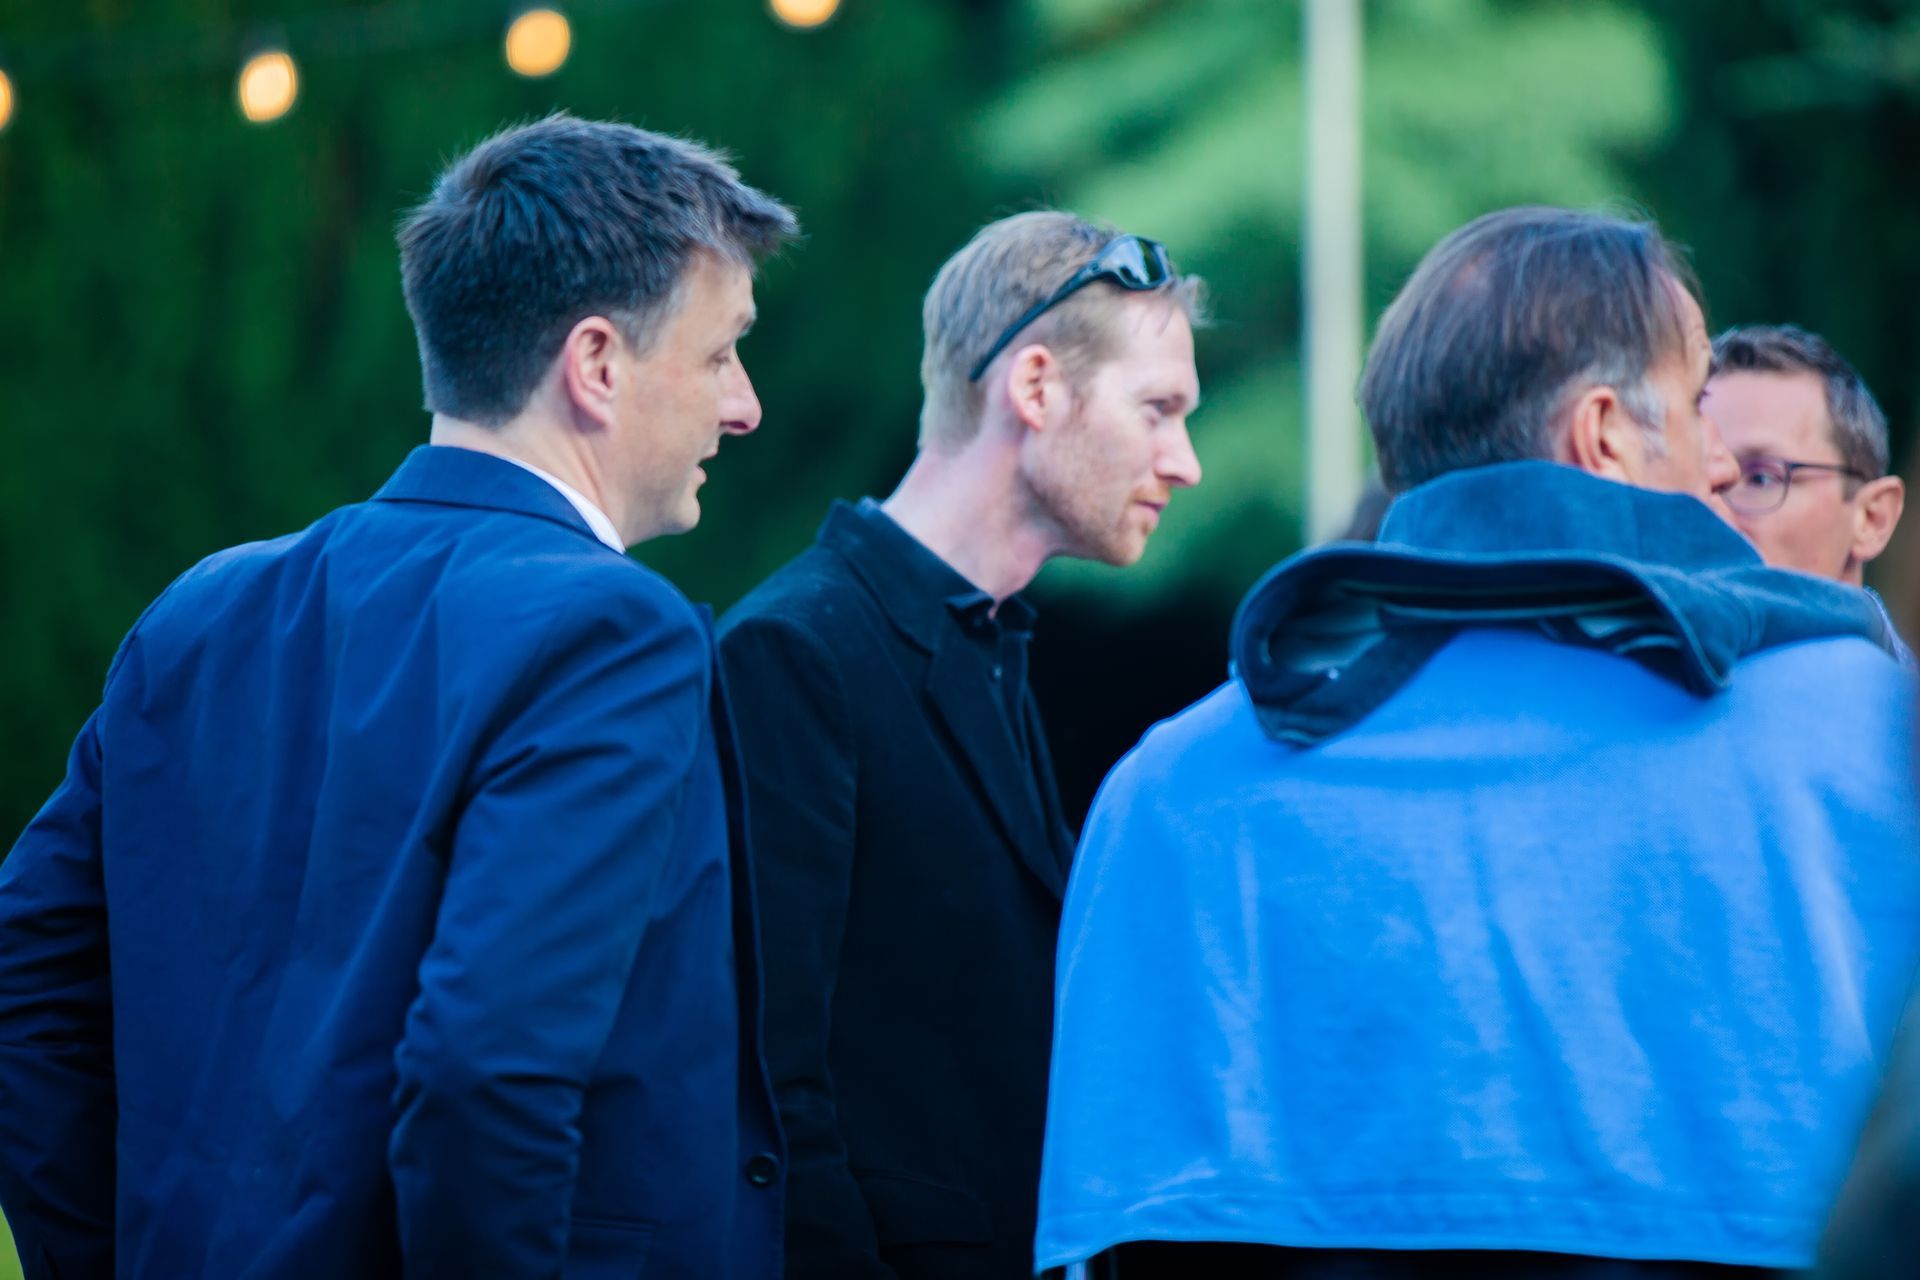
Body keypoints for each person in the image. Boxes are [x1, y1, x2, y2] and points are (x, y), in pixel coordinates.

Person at [1036, 207, 1920, 1279]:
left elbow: (1114, 1242)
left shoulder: (1168, 791)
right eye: (1695, 411)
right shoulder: (1871, 740)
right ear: (1604, 434)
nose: (1720, 472)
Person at [0, 114, 797, 1279]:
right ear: (596, 364)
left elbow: (24, 985)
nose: (747, 404)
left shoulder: (203, 610)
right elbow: (487, 1068)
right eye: (724, 350)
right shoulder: (616, 632)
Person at [717, 211, 1204, 1280]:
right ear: (1035, 387)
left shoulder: (990, 640)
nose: (1188, 462)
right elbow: (765, 1083)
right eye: (1159, 409)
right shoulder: (794, 647)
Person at [1705, 324, 1909, 657]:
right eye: (1701, 477)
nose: (1713, 510)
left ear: (1872, 518)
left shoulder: (1895, 703)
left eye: (1760, 479)